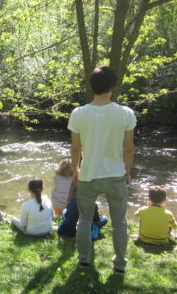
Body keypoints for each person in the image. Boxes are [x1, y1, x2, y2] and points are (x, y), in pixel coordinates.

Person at [68, 66, 136, 274]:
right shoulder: (125, 113)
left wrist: (75, 171)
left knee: (85, 219)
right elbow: (129, 148)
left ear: (92, 87)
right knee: (119, 222)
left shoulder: (79, 113)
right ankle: (120, 265)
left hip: (88, 173)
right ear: (113, 87)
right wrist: (128, 170)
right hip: (115, 173)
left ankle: (84, 260)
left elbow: (76, 148)